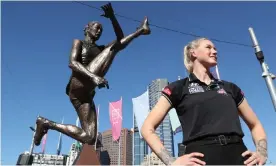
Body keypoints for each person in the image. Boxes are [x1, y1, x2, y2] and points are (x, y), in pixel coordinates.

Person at [33, 3, 151, 146]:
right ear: (87, 29)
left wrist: (112, 17)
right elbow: (72, 63)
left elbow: (120, 38)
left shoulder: (101, 49)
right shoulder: (79, 42)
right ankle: (140, 31)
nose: (99, 31)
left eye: (101, 29)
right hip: (77, 84)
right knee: (113, 48)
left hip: (84, 95)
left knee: (89, 137)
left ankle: (46, 123)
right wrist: (94, 77)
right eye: (97, 27)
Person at [141, 38, 268, 165]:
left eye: (215, 49)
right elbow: (147, 128)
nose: (214, 51)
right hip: (200, 158)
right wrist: (171, 162)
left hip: (238, 155)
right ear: (193, 53)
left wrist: (262, 153)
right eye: (208, 47)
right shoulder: (177, 88)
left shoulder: (230, 88)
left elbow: (255, 124)